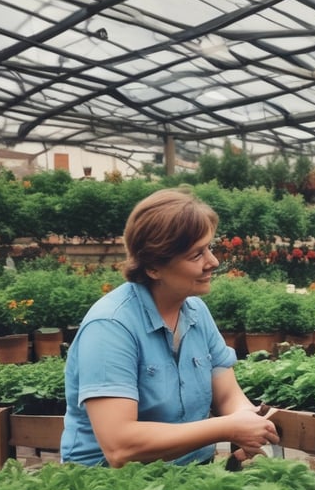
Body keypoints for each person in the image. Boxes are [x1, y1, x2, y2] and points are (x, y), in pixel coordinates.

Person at [60, 188, 279, 467]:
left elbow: (227, 394)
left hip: (187, 479)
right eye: (196, 254)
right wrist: (227, 428)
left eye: (209, 248)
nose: (213, 262)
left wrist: (250, 422)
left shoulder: (196, 312)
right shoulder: (111, 326)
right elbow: (120, 446)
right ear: (153, 267)